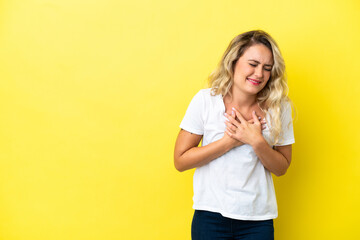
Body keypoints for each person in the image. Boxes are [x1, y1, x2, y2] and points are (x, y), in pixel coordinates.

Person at [174, 30, 295, 240]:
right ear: (233, 62)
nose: (259, 74)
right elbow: (180, 160)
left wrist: (257, 142)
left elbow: (282, 167)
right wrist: (230, 142)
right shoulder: (205, 101)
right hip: (210, 217)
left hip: (257, 222)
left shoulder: (279, 107)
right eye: (253, 64)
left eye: (267, 68)